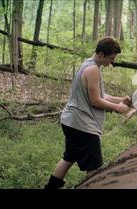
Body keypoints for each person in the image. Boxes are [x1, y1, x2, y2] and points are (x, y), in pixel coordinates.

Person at [44, 37, 131, 189]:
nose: (111, 63)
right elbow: (95, 101)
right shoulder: (93, 70)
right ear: (101, 54)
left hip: (71, 123)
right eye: (110, 59)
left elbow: (100, 95)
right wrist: (117, 108)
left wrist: (119, 100)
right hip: (82, 126)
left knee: (68, 158)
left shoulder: (88, 64)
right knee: (95, 170)